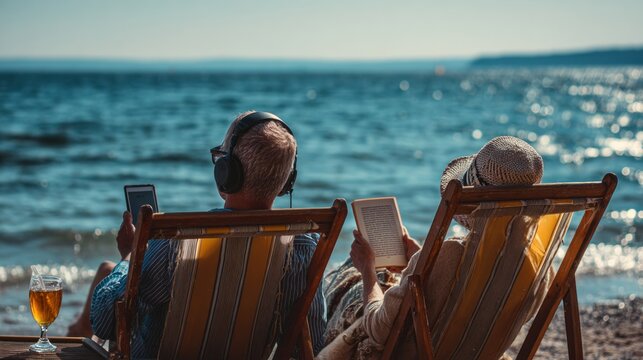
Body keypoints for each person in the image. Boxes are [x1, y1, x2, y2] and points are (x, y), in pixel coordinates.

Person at [68, 111, 327, 357]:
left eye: (221, 156)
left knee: (110, 274)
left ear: (227, 172)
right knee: (108, 270)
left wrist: (132, 256)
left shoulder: (175, 243)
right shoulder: (303, 248)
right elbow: (312, 343)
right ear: (287, 181)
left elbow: (103, 321)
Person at [320, 136, 551, 359]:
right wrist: (421, 257)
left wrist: (367, 270)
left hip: (410, 353)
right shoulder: (539, 266)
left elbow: (379, 331)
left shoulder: (451, 255)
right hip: (474, 353)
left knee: (352, 275)